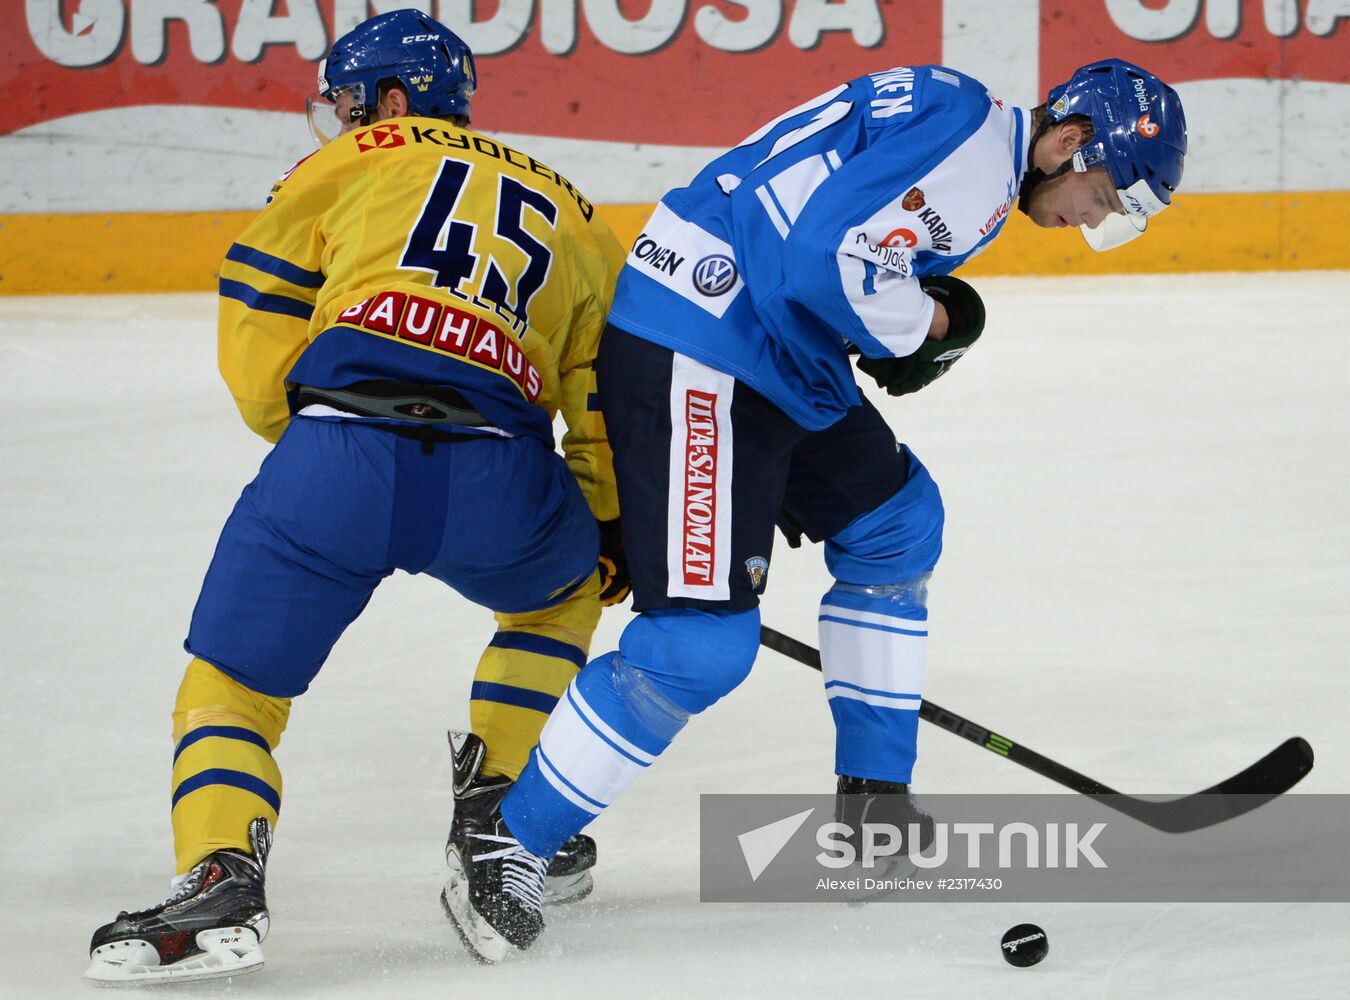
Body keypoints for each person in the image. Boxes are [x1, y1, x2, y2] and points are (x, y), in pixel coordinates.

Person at [437, 59, 1188, 959]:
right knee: (696, 648)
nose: (1092, 218)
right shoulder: (980, 158)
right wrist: (931, 327)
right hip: (705, 347)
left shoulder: (966, 120)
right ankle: (508, 842)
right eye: (1103, 194)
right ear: (1067, 140)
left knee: (897, 522)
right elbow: (828, 259)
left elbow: (827, 243)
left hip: (767, 347)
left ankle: (875, 804)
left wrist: (901, 309)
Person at [84, 10, 628, 984]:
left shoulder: (348, 161)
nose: (337, 120)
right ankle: (502, 821)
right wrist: (607, 530)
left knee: (235, 682)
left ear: (388, 100)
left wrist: (292, 432)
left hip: (340, 448)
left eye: (344, 102)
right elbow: (602, 394)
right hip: (499, 474)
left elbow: (258, 290)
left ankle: (220, 870)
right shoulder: (574, 208)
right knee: (559, 597)